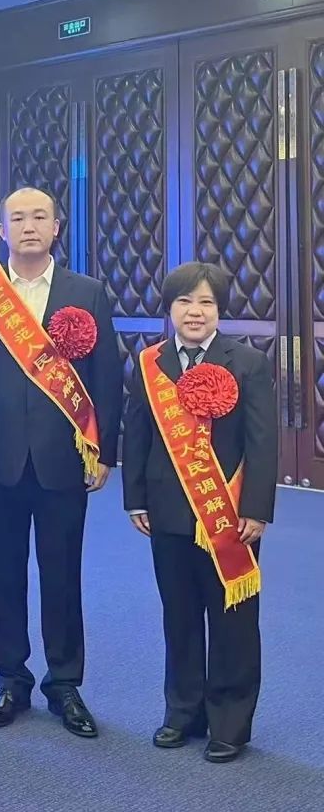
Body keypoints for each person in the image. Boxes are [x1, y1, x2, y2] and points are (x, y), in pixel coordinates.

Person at [0, 186, 121, 739]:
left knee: (62, 574)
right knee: (3, 574)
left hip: (63, 459)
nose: (28, 226)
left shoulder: (87, 292)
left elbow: (106, 376)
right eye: (17, 218)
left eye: (39, 217)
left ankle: (65, 683)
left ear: (56, 227)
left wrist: (103, 450)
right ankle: (10, 679)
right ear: (1, 230)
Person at [123, 261, 277, 763]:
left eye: (207, 302)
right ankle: (183, 713)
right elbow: (137, 433)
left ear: (219, 310)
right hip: (166, 511)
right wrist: (135, 497)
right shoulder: (151, 363)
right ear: (170, 308)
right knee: (180, 615)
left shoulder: (248, 362)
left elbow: (262, 442)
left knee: (233, 621)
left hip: (229, 516)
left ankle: (229, 723)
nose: (195, 311)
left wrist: (256, 508)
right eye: (185, 301)